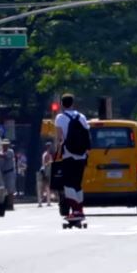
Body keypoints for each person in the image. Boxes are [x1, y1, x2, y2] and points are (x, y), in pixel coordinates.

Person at [54, 93, 91, 221]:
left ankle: (74, 211)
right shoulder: (82, 117)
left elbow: (59, 138)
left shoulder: (60, 117)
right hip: (81, 155)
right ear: (73, 103)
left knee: (68, 184)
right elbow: (87, 136)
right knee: (78, 184)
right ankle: (80, 210)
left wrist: (58, 153)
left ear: (62, 104)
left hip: (68, 155)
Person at [0, 140, 17, 207]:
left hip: (10, 173)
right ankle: (5, 204)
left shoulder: (10, 151)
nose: (5, 146)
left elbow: (4, 156)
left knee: (10, 190)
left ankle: (11, 204)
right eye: (3, 145)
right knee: (3, 190)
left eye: (6, 145)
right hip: (2, 174)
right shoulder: (0, 153)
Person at [38, 142, 55, 207]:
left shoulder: (47, 154)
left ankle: (48, 202)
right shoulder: (46, 154)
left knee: (47, 187)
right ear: (48, 147)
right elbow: (44, 163)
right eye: (49, 146)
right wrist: (50, 162)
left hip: (47, 171)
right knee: (43, 187)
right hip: (45, 171)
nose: (50, 148)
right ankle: (41, 202)